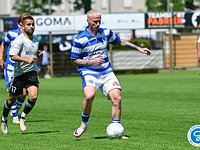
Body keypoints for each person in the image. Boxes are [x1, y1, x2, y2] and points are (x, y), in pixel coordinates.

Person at [70, 9, 151, 138]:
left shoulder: (106, 33)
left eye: (99, 21)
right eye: (95, 21)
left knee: (117, 98)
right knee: (89, 96)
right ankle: (84, 125)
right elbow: (74, 60)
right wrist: (92, 61)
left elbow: (122, 42)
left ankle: (116, 128)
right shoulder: (79, 39)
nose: (98, 24)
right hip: (89, 72)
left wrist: (139, 48)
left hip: (106, 72)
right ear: (88, 21)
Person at [1, 14, 42, 134]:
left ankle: (22, 117)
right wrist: (26, 60)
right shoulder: (19, 40)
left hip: (31, 72)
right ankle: (4, 119)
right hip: (19, 74)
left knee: (33, 96)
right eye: (28, 24)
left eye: (33, 24)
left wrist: (38, 54)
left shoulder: (36, 39)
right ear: (22, 27)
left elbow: (31, 52)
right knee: (11, 100)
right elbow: (13, 56)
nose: (31, 26)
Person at [0, 13, 30, 124]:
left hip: (22, 68)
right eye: (24, 23)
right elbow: (3, 44)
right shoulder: (11, 34)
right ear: (19, 24)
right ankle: (14, 115)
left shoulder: (29, 36)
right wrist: (1, 59)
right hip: (11, 68)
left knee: (24, 93)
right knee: (14, 93)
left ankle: (14, 111)